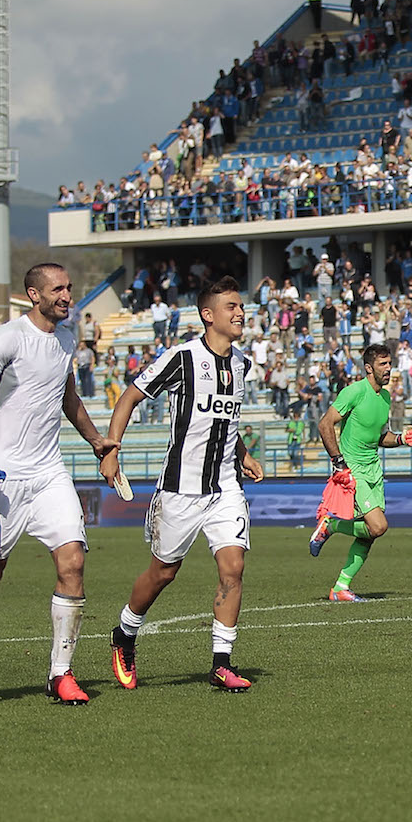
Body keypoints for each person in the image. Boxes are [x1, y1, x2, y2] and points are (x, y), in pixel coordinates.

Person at [0, 263, 118, 705]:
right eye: (58, 289)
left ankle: (61, 674)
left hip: (49, 474)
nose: (67, 295)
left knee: (73, 562)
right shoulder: (7, 337)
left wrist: (96, 439)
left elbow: (67, 398)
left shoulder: (66, 339)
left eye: (69, 286)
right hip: (3, 477)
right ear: (33, 294)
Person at [101, 276, 265, 693]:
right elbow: (130, 397)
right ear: (208, 315)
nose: (240, 312)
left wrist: (242, 453)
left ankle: (221, 663)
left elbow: (225, 420)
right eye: (231, 306)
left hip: (225, 486)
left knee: (233, 567)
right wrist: (111, 450)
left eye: (240, 305)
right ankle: (125, 632)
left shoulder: (243, 364)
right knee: (163, 573)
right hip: (180, 488)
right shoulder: (182, 358)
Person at [309, 344, 412, 602]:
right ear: (369, 368)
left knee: (371, 533)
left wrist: (402, 439)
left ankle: (340, 588)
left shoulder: (385, 398)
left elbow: (381, 437)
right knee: (378, 526)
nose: (388, 368)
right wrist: (338, 462)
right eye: (382, 364)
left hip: (373, 469)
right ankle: (331, 524)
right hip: (353, 469)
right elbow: (325, 423)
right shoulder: (354, 391)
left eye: (389, 363)